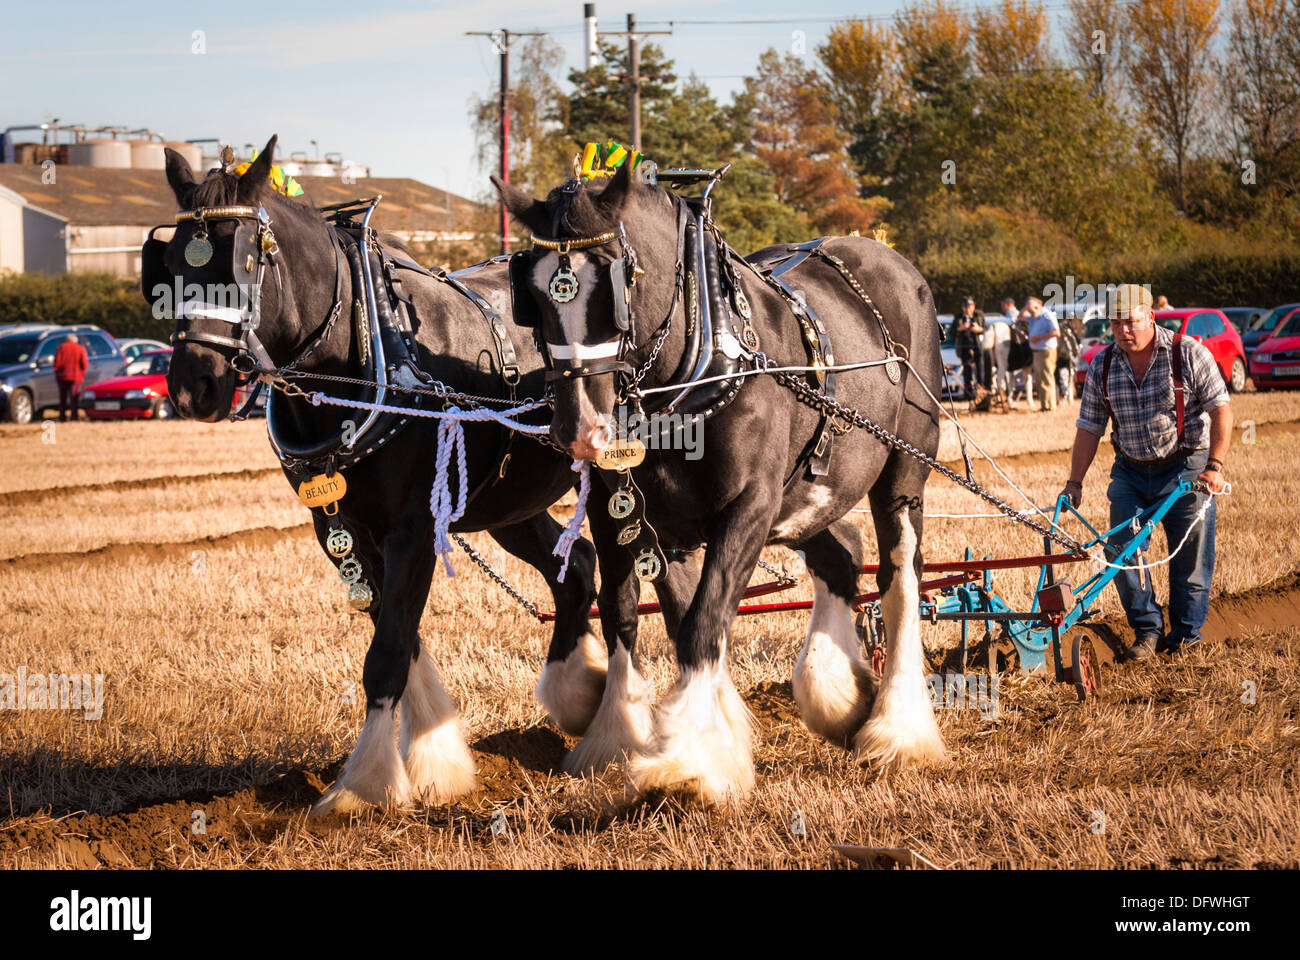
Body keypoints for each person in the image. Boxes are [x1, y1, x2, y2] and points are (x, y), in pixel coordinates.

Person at [1060, 284, 1232, 658]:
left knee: (1189, 558)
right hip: (1131, 472)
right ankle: (1147, 631)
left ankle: (1186, 635)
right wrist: (1074, 481)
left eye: (1132, 322)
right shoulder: (1103, 365)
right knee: (1122, 552)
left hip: (1187, 468)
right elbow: (1090, 426)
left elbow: (1221, 409)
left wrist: (1214, 466)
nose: (1124, 331)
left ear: (1150, 317)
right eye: (1117, 324)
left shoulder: (1187, 353)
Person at [1023, 296, 1059, 411]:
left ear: (1038, 307)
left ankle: (1049, 406)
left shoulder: (1047, 316)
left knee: (1047, 377)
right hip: (1037, 351)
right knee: (1039, 379)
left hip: (1046, 351)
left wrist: (1040, 338)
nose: (1030, 313)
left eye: (1031, 309)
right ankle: (1044, 405)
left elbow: (1057, 332)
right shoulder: (1034, 317)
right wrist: (1026, 308)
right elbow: (1020, 317)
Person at [953, 296, 985, 400]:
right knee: (967, 373)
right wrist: (961, 328)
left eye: (970, 306)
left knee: (980, 373)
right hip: (964, 348)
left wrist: (978, 329)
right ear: (962, 308)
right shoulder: (958, 317)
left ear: (974, 306)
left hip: (977, 348)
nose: (968, 309)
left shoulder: (979, 315)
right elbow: (951, 333)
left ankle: (981, 395)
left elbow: (986, 329)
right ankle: (969, 396)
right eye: (965, 307)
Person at [53, 334, 89, 422]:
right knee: (74, 397)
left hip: (62, 376)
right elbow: (84, 363)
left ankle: (62, 416)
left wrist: (57, 373)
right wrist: (82, 373)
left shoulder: (61, 348)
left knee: (63, 398)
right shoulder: (80, 348)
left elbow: (56, 362)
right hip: (76, 376)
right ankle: (74, 416)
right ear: (75, 340)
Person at [989, 298, 1015, 396]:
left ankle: (1004, 391)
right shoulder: (1009, 315)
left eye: (1003, 305)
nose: (1002, 307)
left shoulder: (1011, 316)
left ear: (1008, 305)